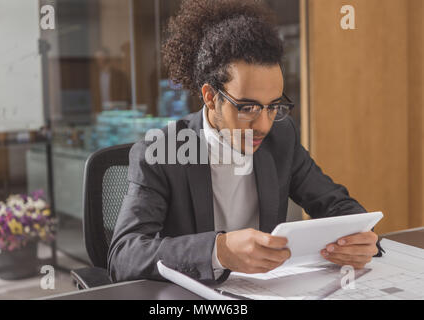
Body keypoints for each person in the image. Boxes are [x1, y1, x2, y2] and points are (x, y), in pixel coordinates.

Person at [107, 0, 382, 284]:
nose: (263, 125)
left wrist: (362, 241)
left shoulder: (281, 137)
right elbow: (124, 256)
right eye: (247, 108)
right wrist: (219, 251)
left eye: (273, 106)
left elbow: (338, 205)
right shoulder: (162, 152)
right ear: (210, 97)